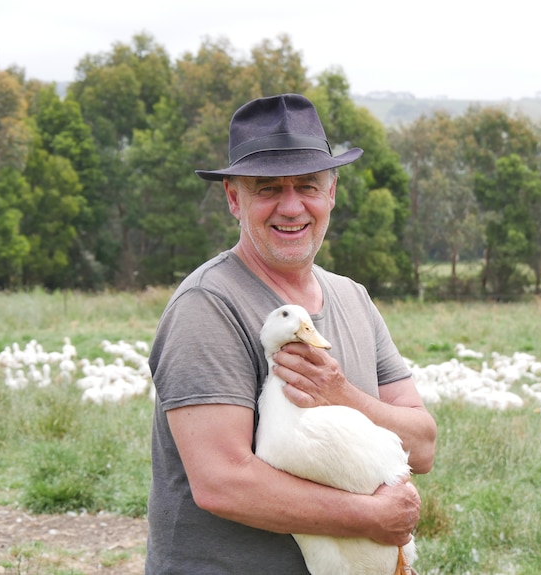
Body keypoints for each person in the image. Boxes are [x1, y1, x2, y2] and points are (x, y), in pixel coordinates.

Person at [145, 93, 437, 574]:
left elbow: (421, 447)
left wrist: (340, 394)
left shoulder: (352, 299)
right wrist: (370, 516)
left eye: (307, 185)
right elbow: (223, 482)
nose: (291, 206)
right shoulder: (209, 305)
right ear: (234, 199)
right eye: (267, 189)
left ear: (332, 192)